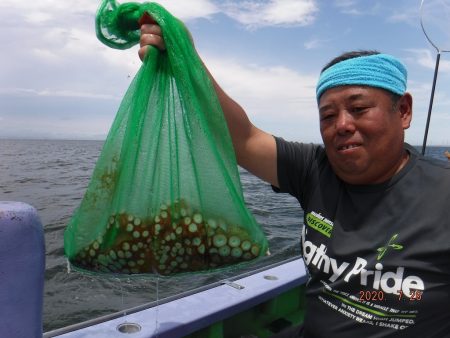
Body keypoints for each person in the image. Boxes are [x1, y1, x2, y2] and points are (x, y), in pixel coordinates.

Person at [139, 16, 450, 338]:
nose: (341, 124)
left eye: (358, 109)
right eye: (328, 115)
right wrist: (183, 56)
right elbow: (241, 138)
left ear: (403, 111)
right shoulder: (315, 168)